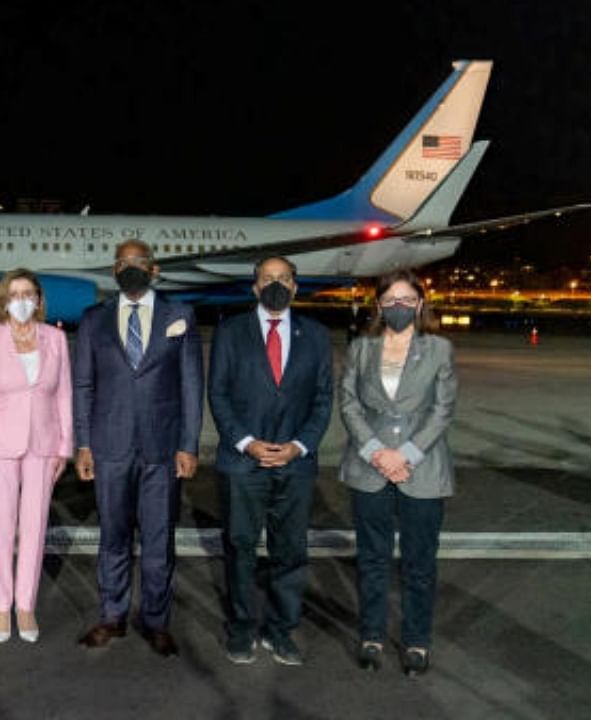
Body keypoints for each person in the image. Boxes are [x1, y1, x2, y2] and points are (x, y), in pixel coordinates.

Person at [73, 240, 203, 658]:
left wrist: (188, 444)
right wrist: (83, 444)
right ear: (113, 271)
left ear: (155, 269)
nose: (131, 269)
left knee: (158, 539)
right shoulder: (94, 319)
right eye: (123, 263)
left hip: (162, 448)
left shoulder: (179, 316)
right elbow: (84, 386)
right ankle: (112, 615)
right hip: (109, 447)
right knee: (112, 535)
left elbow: (190, 386)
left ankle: (156, 620)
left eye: (139, 263)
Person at [208, 255, 332, 666]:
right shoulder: (230, 332)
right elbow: (219, 394)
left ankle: (282, 631)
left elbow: (322, 399)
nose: (275, 284)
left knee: (290, 552)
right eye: (267, 279)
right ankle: (241, 630)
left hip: (295, 464)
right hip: (243, 463)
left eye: (283, 278)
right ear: (255, 287)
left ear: (296, 286)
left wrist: (300, 445)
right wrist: (246, 442)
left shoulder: (315, 335)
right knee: (240, 549)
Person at [338, 269, 456, 677]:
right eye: (391, 301)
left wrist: (404, 454)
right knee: (371, 559)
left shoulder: (439, 349)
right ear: (379, 306)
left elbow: (442, 410)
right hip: (369, 468)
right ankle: (371, 635)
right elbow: (349, 404)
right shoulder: (361, 349)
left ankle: (417, 641)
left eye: (407, 300)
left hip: (420, 470)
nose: (399, 307)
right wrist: (376, 453)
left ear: (421, 304)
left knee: (419, 563)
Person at [0, 269, 72, 644]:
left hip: (44, 445)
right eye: (15, 294)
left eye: (29, 293)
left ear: (39, 299)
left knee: (35, 525)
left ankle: (25, 603)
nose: (22, 300)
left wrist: (65, 446)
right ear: (3, 300)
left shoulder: (56, 339)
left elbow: (63, 395)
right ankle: (0, 604)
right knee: (0, 526)